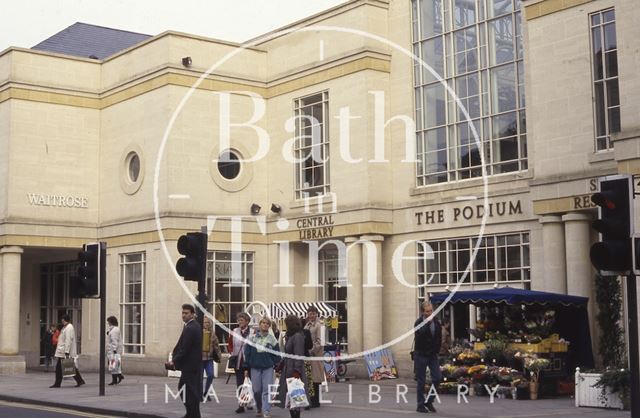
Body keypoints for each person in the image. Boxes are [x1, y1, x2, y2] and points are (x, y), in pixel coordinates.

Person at [166, 304, 203, 418]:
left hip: (190, 366)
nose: (184, 315)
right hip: (191, 366)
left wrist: (174, 361)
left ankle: (193, 414)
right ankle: (192, 414)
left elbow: (185, 348)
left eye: (186, 313)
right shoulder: (191, 326)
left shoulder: (192, 327)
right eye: (183, 313)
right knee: (188, 391)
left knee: (186, 390)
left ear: (192, 314)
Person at [244, 317, 280, 418]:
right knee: (256, 390)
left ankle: (266, 411)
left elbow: (277, 355)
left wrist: (276, 367)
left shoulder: (272, 339)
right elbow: (247, 353)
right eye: (263, 323)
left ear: (269, 326)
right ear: (259, 325)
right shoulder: (252, 338)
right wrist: (246, 368)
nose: (265, 324)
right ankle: (259, 408)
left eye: (267, 323)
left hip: (268, 368)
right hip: (254, 367)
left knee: (266, 390)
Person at [413, 301, 442, 414]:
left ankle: (429, 401)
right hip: (421, 354)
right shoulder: (418, 322)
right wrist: (427, 323)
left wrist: (437, 350)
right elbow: (420, 334)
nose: (429, 313)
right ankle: (420, 405)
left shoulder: (436, 322)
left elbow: (438, 337)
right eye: (427, 312)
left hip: (432, 354)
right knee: (421, 380)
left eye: (431, 311)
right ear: (422, 312)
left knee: (437, 378)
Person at [277, 315, 307, 418]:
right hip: (288, 368)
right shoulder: (290, 335)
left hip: (293, 369)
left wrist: (297, 371)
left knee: (295, 397)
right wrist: (281, 365)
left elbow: (299, 355)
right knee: (290, 398)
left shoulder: (297, 336)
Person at [50, 314, 85, 388]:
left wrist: (66, 351)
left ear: (65, 319)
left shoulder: (69, 327)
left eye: (62, 319)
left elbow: (68, 340)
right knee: (67, 367)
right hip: (62, 351)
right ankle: (79, 380)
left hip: (64, 352)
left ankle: (58, 383)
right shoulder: (65, 327)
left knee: (65, 367)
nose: (61, 321)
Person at [228, 312, 253, 414]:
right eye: (239, 320)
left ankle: (249, 401)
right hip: (238, 361)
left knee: (249, 383)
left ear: (247, 321)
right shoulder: (234, 331)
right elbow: (230, 343)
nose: (240, 322)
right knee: (240, 383)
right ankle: (241, 405)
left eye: (242, 320)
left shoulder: (252, 332)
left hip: (249, 362)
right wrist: (231, 351)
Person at [303, 307, 324, 408]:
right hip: (308, 355)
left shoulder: (320, 325)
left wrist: (312, 351)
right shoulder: (307, 325)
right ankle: (311, 399)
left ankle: (316, 401)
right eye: (310, 313)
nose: (311, 315)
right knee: (310, 378)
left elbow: (320, 341)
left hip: (316, 355)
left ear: (316, 314)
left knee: (316, 378)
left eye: (313, 313)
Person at [202, 316, 221, 401]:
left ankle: (206, 392)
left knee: (210, 375)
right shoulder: (198, 332)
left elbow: (216, 346)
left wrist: (219, 356)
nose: (206, 324)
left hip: (209, 359)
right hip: (200, 359)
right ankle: (199, 393)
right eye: (204, 322)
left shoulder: (212, 333)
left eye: (207, 322)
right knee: (199, 377)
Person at [106, 316, 124, 385]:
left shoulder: (114, 330)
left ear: (111, 322)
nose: (108, 323)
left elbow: (114, 340)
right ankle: (118, 377)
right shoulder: (113, 329)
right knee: (113, 365)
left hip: (113, 351)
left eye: (108, 322)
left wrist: (114, 349)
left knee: (113, 365)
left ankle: (116, 378)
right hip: (112, 350)